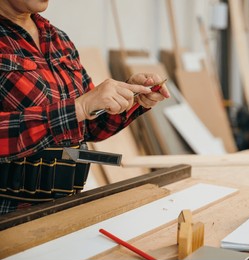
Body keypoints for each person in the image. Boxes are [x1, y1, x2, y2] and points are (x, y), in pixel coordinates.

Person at [0, 0, 170, 215]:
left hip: (65, 204)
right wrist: (78, 107)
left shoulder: (57, 39)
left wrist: (132, 96)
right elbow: (77, 110)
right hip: (9, 214)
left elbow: (89, 128)